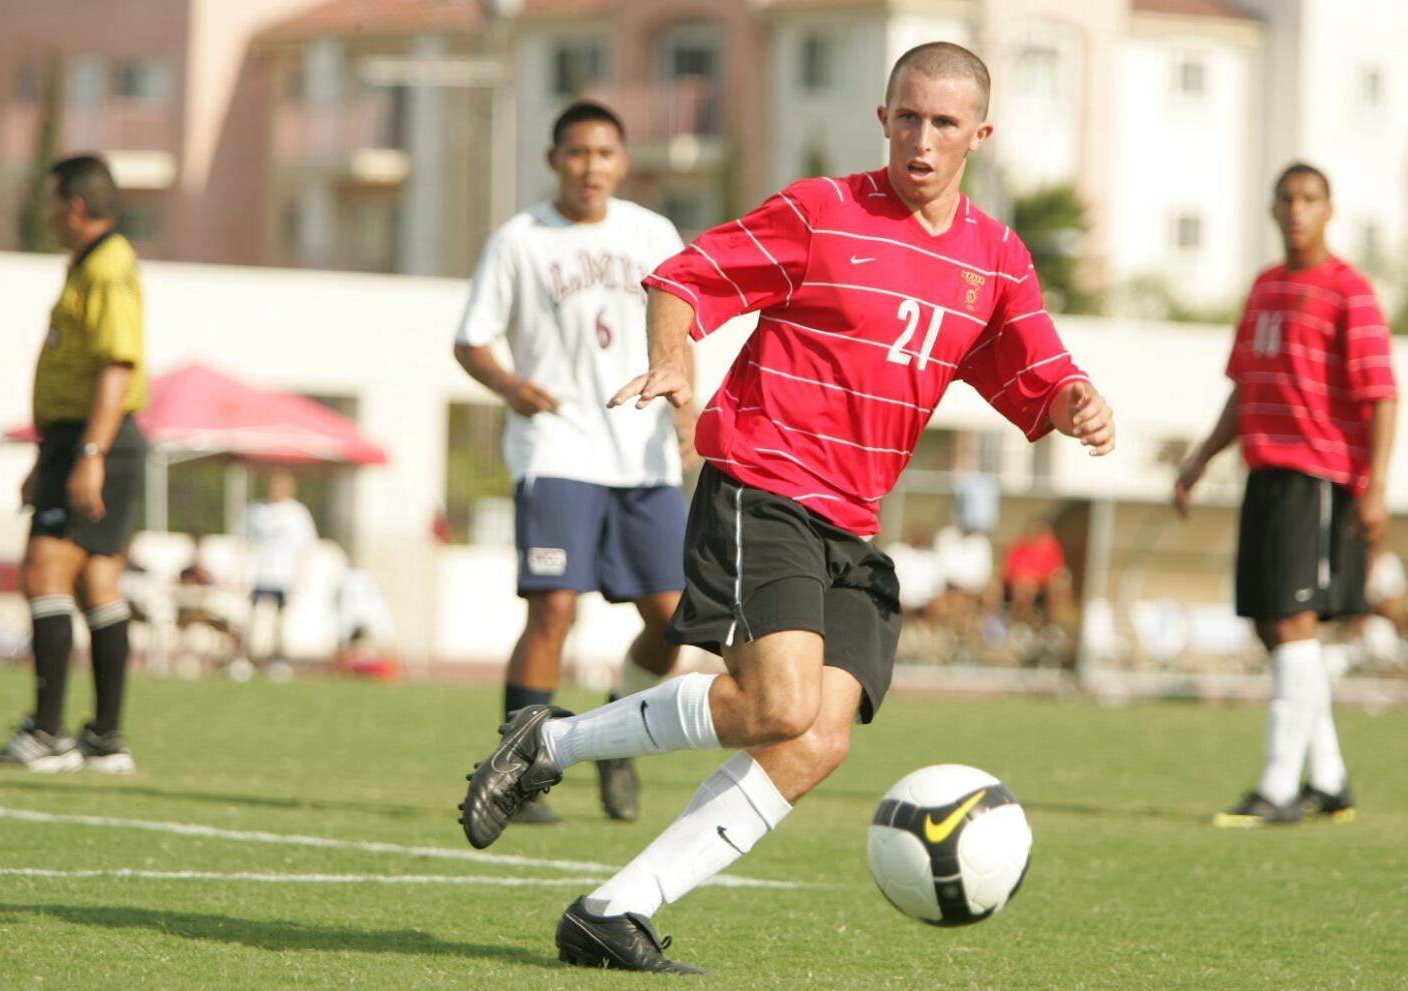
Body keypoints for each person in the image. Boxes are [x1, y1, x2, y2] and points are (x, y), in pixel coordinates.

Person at [458, 43, 1115, 974]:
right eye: (906, 117)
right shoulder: (823, 211)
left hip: (854, 521)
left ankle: (615, 908)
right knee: (778, 701)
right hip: (763, 485)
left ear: (981, 134)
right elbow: (682, 278)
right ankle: (551, 740)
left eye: (943, 123)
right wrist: (677, 358)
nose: (921, 139)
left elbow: (1038, 373)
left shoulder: (997, 258)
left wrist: (1077, 400)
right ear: (883, 118)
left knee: (818, 738)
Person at [453, 101, 692, 826]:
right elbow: (472, 339)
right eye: (578, 153)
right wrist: (509, 386)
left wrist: (690, 405)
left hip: (643, 453)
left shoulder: (653, 234)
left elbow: (683, 327)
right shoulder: (520, 240)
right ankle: (516, 772)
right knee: (554, 608)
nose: (592, 166)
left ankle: (615, 730)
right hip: (557, 449)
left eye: (605, 153)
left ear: (623, 162)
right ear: (554, 159)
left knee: (678, 621)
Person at [1175, 162, 1397, 827]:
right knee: (1275, 627)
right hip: (1265, 473)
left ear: (1329, 210)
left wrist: (1377, 487)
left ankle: (1278, 788)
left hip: (1320, 476)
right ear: (1272, 210)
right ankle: (1328, 780)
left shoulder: (1348, 291)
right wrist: (1199, 457)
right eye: (1286, 198)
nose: (1297, 209)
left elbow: (1381, 394)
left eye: (1309, 199)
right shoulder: (1265, 287)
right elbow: (1245, 385)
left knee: (1297, 624)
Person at [0, 154, 147, 774]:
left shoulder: (107, 267)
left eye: (51, 202)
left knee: (43, 569)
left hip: (94, 438)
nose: (46, 213)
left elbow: (116, 365)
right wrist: (50, 454)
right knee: (96, 582)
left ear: (75, 206)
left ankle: (47, 735)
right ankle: (105, 738)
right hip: (77, 440)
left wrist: (89, 455)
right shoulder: (88, 266)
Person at [243, 470, 317, 665]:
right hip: (261, 574)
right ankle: (251, 657)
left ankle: (277, 658)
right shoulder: (258, 510)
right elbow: (246, 544)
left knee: (280, 620)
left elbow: (305, 547)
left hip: (284, 575)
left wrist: (302, 577)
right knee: (255, 617)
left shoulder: (297, 513)